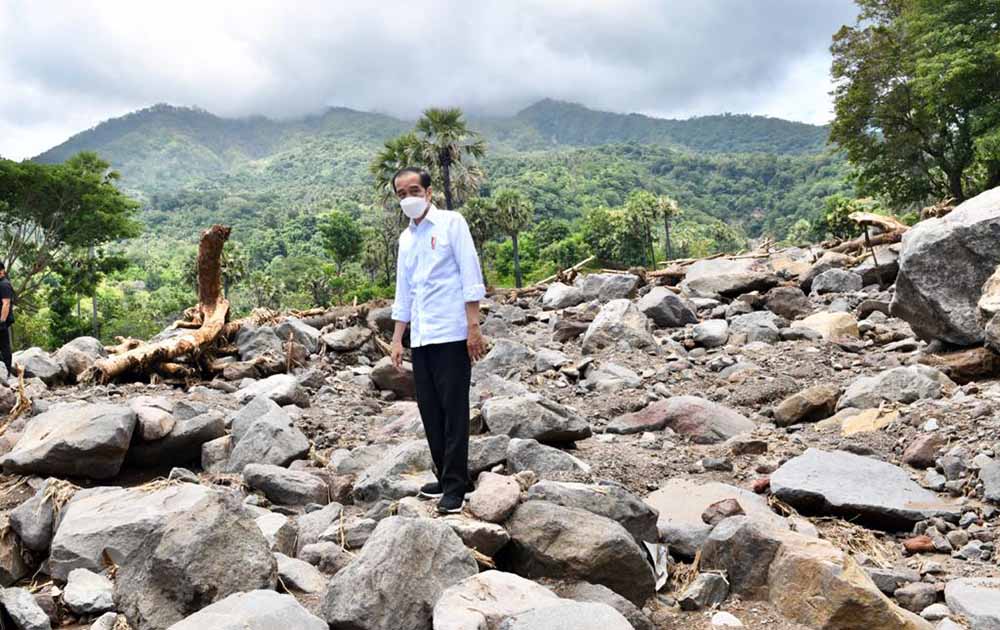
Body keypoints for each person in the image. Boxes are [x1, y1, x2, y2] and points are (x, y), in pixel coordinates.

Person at [390, 167, 487, 514]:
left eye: (414, 190)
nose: (408, 198)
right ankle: (446, 475)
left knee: (454, 409)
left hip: (451, 332)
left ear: (429, 193)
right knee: (430, 410)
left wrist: (473, 327)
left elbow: (470, 274)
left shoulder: (451, 223)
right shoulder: (406, 239)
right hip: (423, 336)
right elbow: (405, 292)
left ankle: (457, 486)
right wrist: (398, 338)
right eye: (401, 194)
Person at [0, 262, 14, 374]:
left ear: (2, 271)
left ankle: (7, 372)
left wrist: (2, 321)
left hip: (2, 320)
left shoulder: (4, 284)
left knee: (4, 346)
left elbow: (6, 304)